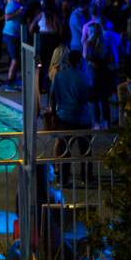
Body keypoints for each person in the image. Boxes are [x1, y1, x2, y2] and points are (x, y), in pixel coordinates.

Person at [48, 50, 94, 185]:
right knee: (86, 150)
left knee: (65, 150)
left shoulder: (59, 76)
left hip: (64, 117)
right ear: (80, 61)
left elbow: (52, 96)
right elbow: (89, 97)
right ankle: (86, 177)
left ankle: (63, 178)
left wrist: (54, 114)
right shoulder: (84, 77)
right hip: (82, 118)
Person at [3, 0, 26, 87]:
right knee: (15, 59)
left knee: (16, 59)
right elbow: (7, 17)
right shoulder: (11, 4)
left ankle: (14, 79)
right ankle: (9, 83)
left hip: (15, 35)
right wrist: (18, 12)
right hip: (10, 35)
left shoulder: (18, 5)